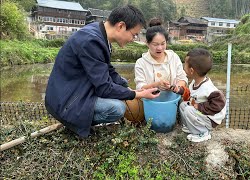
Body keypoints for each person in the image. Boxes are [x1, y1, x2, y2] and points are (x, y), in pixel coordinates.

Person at [45, 5, 160, 138]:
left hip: (76, 89)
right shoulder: (91, 41)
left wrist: (124, 86)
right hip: (65, 101)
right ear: (121, 26)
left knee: (120, 87)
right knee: (117, 109)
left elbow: (107, 69)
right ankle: (76, 122)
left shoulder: (100, 33)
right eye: (133, 34)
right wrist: (135, 94)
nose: (132, 39)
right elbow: (104, 88)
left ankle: (82, 118)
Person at [179, 48, 226, 142]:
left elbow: (220, 103)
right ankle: (191, 127)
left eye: (185, 64)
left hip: (210, 119)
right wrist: (178, 90)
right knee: (183, 105)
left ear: (191, 70)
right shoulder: (194, 82)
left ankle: (203, 133)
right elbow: (190, 94)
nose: (183, 66)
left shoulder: (208, 88)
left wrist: (199, 106)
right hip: (201, 115)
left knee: (189, 109)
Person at [134, 18, 188, 93]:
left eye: (163, 44)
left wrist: (176, 87)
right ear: (147, 43)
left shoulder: (173, 57)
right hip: (151, 101)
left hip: (173, 99)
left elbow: (182, 78)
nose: (159, 48)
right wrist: (156, 85)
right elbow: (140, 87)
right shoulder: (141, 63)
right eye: (155, 44)